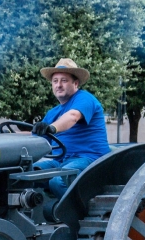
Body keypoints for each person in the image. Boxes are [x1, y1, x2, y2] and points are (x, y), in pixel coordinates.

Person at [31, 58, 110, 198]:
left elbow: (72, 116)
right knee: (24, 174)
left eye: (64, 80)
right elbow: (35, 135)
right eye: (55, 81)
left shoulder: (85, 99)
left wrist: (52, 128)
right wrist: (7, 136)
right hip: (61, 160)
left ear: (76, 83)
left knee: (59, 180)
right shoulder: (53, 113)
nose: (59, 85)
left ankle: (79, 217)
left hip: (90, 160)